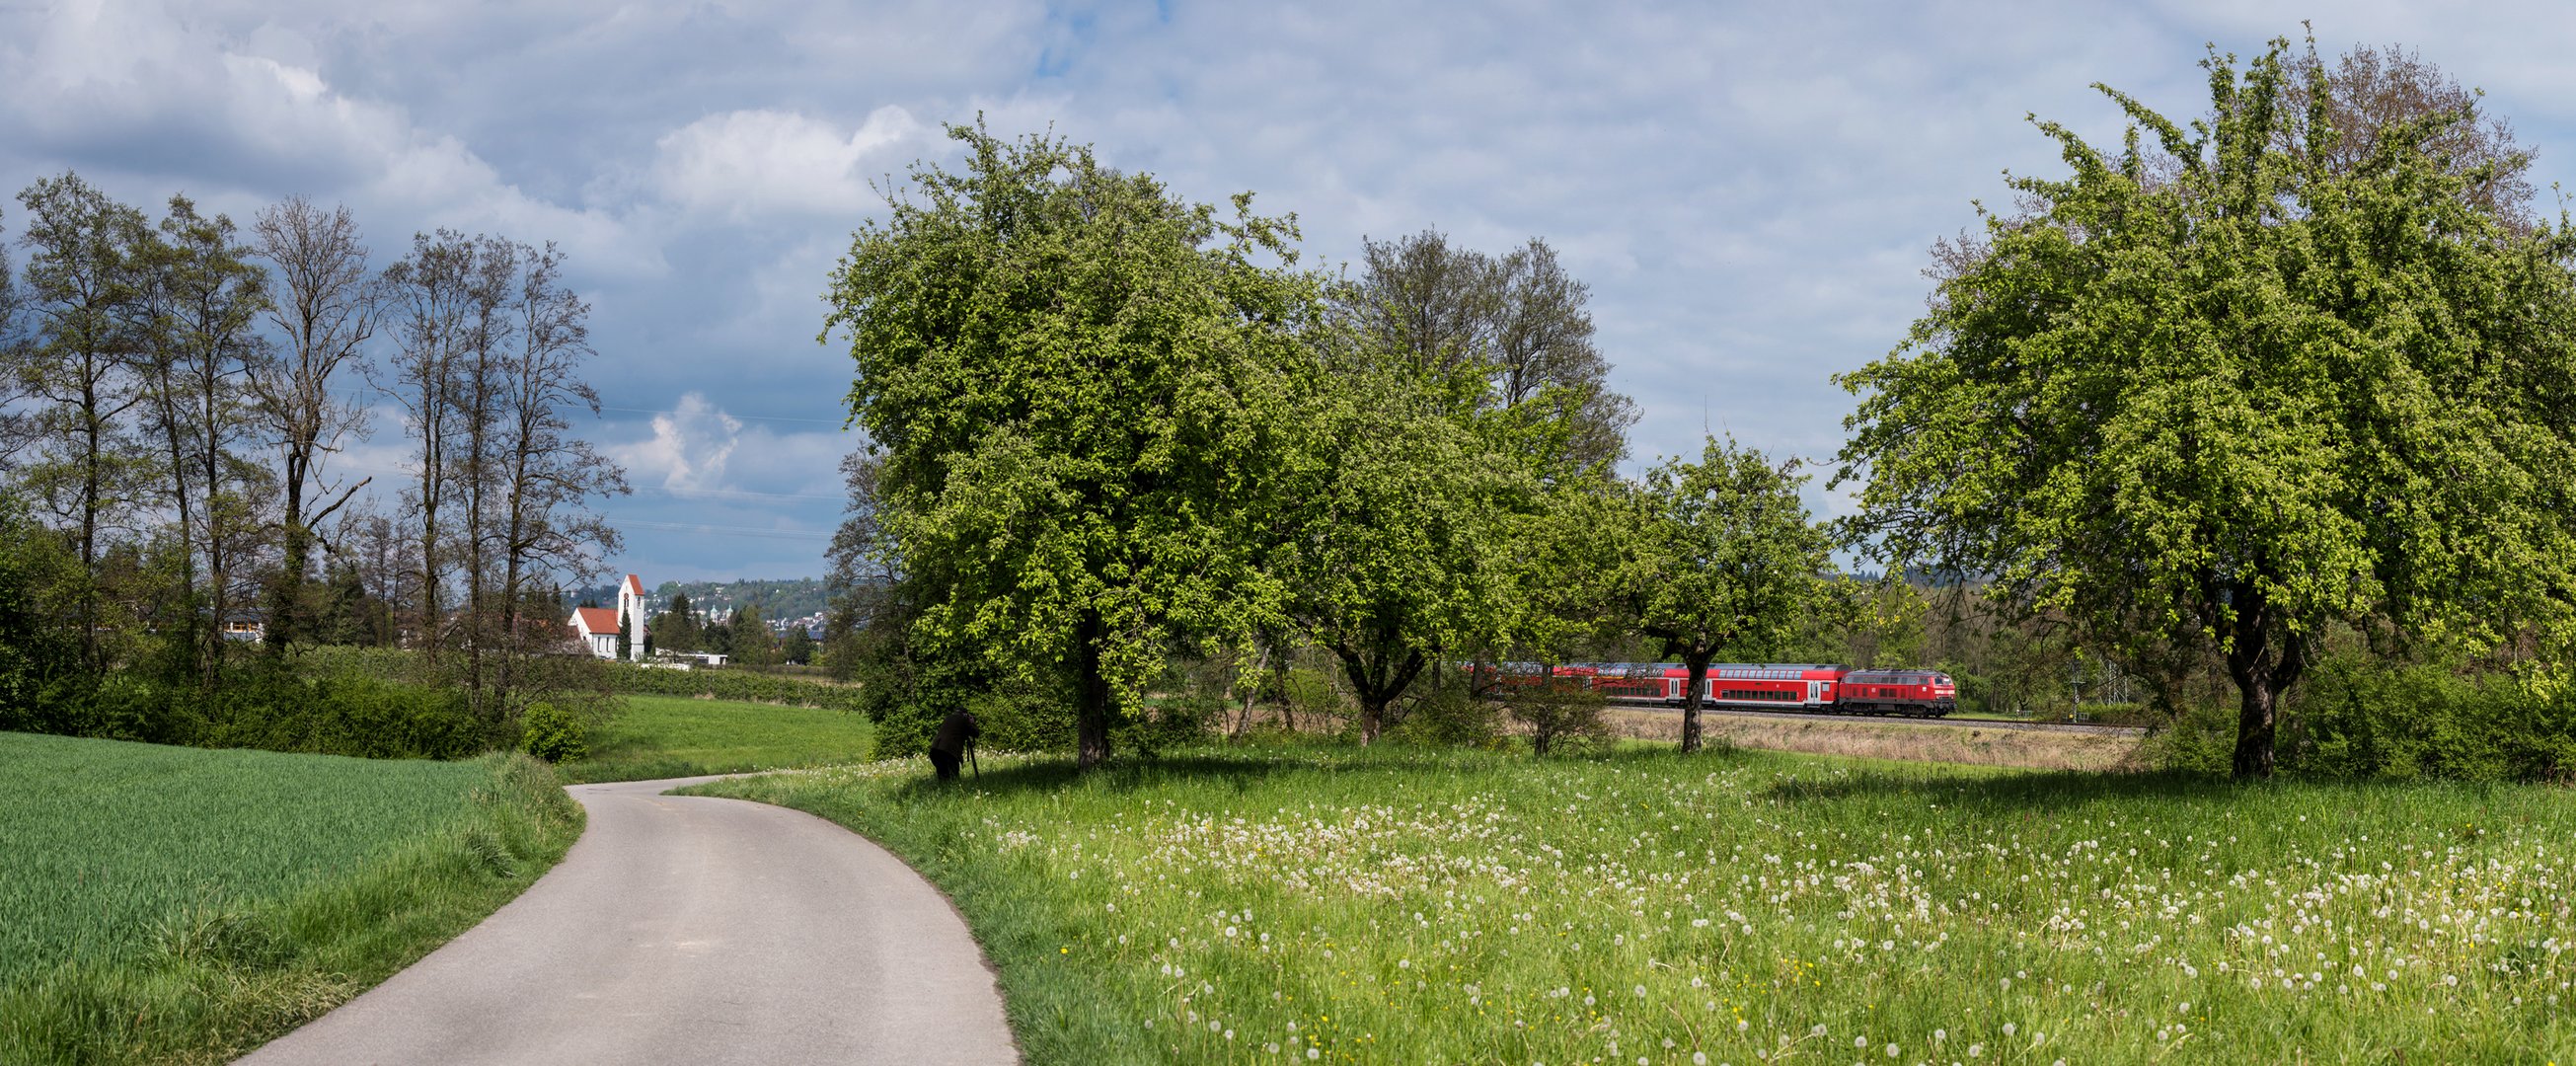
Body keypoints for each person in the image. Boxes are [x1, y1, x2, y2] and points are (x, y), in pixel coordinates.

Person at [928, 709, 980, 780]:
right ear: (965, 714)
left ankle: (945, 790)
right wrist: (972, 722)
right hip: (948, 752)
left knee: (943, 779)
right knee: (953, 779)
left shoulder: (948, 718)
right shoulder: (963, 719)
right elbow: (976, 733)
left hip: (935, 750)